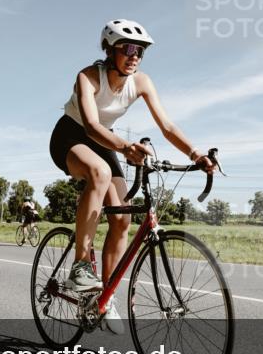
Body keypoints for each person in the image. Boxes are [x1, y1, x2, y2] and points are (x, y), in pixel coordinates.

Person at [48, 19, 215, 334]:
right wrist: (126, 147)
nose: (134, 55)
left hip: (106, 142)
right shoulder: (88, 77)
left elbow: (166, 126)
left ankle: (104, 297)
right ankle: (81, 265)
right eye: (127, 48)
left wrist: (196, 154)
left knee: (123, 218)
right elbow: (91, 126)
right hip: (71, 137)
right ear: (110, 50)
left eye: (140, 50)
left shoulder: (141, 82)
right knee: (98, 172)